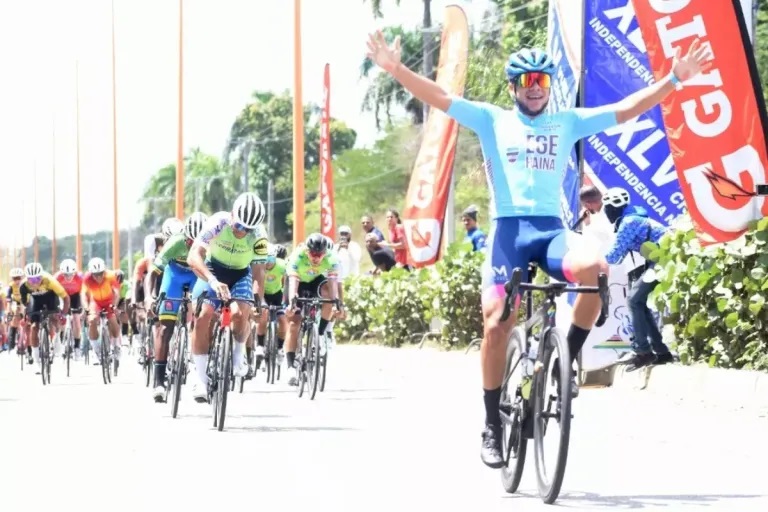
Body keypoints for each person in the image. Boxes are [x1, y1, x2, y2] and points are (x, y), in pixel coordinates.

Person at [365, 30, 711, 468]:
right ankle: (491, 422)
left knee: (595, 267)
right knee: (496, 323)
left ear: (549, 88)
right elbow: (438, 95)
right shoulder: (491, 118)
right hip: (508, 234)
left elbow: (625, 109)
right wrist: (395, 69)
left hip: (550, 231)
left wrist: (674, 80)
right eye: (527, 81)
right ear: (513, 87)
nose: (534, 87)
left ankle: (564, 361)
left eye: (542, 82)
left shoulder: (566, 121)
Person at [187, 192, 269, 403]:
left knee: (242, 314)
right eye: (239, 226)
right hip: (213, 270)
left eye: (248, 229)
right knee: (204, 315)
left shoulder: (259, 235)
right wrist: (213, 281)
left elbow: (259, 270)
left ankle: (238, 355)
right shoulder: (218, 222)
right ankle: (200, 377)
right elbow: (193, 255)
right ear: (232, 215)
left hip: (242, 273)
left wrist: (258, 300)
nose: (242, 232)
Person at [602, 188, 673, 371]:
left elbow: (613, 256)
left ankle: (643, 352)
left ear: (614, 207)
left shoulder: (630, 222)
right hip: (658, 259)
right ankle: (660, 351)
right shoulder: (629, 219)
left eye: (607, 208)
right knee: (638, 301)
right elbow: (620, 255)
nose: (606, 212)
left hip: (666, 258)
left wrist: (592, 260)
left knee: (634, 300)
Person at [147, 212, 207, 401]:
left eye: (196, 242)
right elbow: (153, 273)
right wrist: (149, 297)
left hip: (197, 275)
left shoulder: (211, 244)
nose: (191, 245)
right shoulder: (175, 242)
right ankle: (159, 383)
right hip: (174, 276)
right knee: (165, 329)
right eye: (189, 241)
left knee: (203, 319)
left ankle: (201, 376)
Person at [284, 233, 344, 385]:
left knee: (328, 297)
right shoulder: (297, 256)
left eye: (320, 254)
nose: (316, 258)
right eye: (313, 254)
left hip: (315, 280)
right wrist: (292, 301)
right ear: (306, 251)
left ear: (325, 252)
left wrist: (336, 303)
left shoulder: (332, 258)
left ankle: (321, 334)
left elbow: (333, 285)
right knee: (293, 322)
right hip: (296, 281)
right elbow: (293, 282)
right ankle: (290, 365)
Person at [23, 262, 71, 370]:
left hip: (50, 297)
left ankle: (57, 337)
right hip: (35, 300)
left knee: (54, 318)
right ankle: (36, 358)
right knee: (34, 327)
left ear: (42, 276)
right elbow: (25, 303)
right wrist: (26, 315)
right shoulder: (24, 285)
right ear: (27, 279)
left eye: (37, 279)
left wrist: (63, 313)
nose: (34, 283)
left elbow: (66, 298)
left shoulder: (51, 281)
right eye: (31, 280)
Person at [253, 244, 288, 371]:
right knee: (264, 314)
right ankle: (260, 346)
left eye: (271, 260)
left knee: (283, 321)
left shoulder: (282, 265)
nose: (268, 263)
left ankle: (279, 348)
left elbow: (286, 282)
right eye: (265, 260)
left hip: (277, 294)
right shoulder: (258, 266)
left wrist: (286, 299)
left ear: (275, 259)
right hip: (263, 294)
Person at [83, 257, 122, 368]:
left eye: (101, 274)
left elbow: (117, 292)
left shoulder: (110, 276)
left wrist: (114, 305)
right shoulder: (87, 278)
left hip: (109, 301)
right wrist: (86, 307)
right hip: (96, 302)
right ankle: (97, 351)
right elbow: (83, 294)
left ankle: (116, 346)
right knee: (92, 320)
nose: (99, 277)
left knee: (113, 321)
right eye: (96, 275)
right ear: (91, 273)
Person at [54, 259, 85, 358]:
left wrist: (84, 308)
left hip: (75, 296)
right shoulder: (57, 277)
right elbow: (53, 293)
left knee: (76, 319)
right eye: (65, 275)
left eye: (70, 274)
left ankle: (76, 347)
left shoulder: (80, 278)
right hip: (62, 296)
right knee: (61, 318)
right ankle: (62, 342)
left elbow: (84, 293)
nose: (68, 277)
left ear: (74, 273)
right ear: (62, 273)